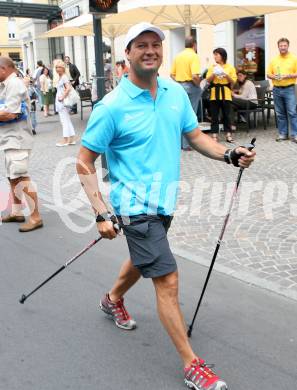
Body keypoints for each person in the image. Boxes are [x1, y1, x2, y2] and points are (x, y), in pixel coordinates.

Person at [76, 23, 255, 390]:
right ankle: (192, 365)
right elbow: (83, 161)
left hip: (163, 202)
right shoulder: (111, 107)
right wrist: (100, 212)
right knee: (167, 278)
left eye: (155, 45)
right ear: (127, 53)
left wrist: (229, 154)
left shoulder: (174, 93)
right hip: (133, 205)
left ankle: (112, 300)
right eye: (141, 45)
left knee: (144, 261)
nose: (150, 51)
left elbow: (194, 136)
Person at [0, 56, 43, 232]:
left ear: (3, 69)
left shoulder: (14, 85)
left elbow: (10, 113)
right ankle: (17, 211)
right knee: (13, 176)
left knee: (22, 177)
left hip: (17, 139)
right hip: (10, 139)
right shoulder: (6, 85)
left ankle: (36, 216)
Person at [171, 36, 201, 151]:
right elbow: (194, 76)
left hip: (180, 86)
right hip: (191, 87)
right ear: (194, 44)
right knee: (191, 115)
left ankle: (179, 143)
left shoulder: (178, 56)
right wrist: (198, 85)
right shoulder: (194, 56)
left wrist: (179, 83)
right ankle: (187, 144)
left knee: (180, 115)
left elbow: (171, 74)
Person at [267, 37, 297, 143]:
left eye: (284, 45)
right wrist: (273, 76)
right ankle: (283, 134)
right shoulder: (274, 60)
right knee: (280, 113)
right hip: (277, 89)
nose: (283, 47)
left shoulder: (294, 58)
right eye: (281, 46)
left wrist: (288, 75)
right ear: (278, 47)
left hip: (289, 88)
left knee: (292, 112)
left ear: (288, 46)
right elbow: (268, 74)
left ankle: (294, 135)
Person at [206, 48, 237, 143]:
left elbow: (233, 81)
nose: (215, 57)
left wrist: (226, 74)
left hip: (226, 93)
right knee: (214, 115)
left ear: (222, 56)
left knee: (227, 115)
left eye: (217, 55)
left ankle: (228, 135)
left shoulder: (230, 67)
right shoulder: (212, 67)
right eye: (214, 55)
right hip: (214, 93)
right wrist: (214, 74)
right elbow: (208, 80)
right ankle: (214, 135)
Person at [54, 60, 76, 147]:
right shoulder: (61, 77)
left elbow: (68, 88)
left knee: (64, 121)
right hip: (61, 102)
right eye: (56, 67)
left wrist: (62, 97)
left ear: (63, 68)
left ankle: (66, 139)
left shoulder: (64, 77)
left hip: (62, 102)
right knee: (66, 120)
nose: (57, 69)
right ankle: (71, 139)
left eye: (59, 67)